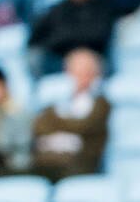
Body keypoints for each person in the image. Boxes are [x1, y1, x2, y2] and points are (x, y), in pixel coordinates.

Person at [30, 48, 110, 181]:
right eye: (75, 72)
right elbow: (39, 127)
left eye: (86, 72)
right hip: (48, 162)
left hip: (81, 164)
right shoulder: (58, 100)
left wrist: (56, 121)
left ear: (96, 75)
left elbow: (84, 126)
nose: (80, 77)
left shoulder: (101, 103)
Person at [27, 0, 117, 75]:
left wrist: (79, 52)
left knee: (87, 63)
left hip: (93, 59)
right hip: (62, 59)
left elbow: (100, 34)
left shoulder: (102, 7)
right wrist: (69, 52)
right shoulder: (59, 8)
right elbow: (36, 37)